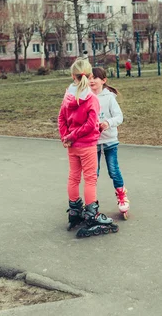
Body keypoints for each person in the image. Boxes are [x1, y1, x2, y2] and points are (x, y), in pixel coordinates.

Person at [58, 58, 118, 238]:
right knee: (90, 179)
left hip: (72, 146)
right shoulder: (91, 98)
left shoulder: (68, 94)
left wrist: (66, 137)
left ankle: (75, 210)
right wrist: (73, 136)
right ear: (89, 74)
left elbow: (61, 118)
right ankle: (92, 214)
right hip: (87, 145)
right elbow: (92, 125)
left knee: (74, 177)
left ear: (72, 75)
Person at [90, 67, 129, 219]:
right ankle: (91, 202)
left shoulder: (109, 98)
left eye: (95, 77)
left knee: (113, 170)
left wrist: (107, 123)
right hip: (92, 142)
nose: (91, 80)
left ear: (103, 80)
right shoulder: (86, 97)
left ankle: (121, 196)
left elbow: (119, 117)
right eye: (89, 78)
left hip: (110, 140)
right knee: (94, 173)